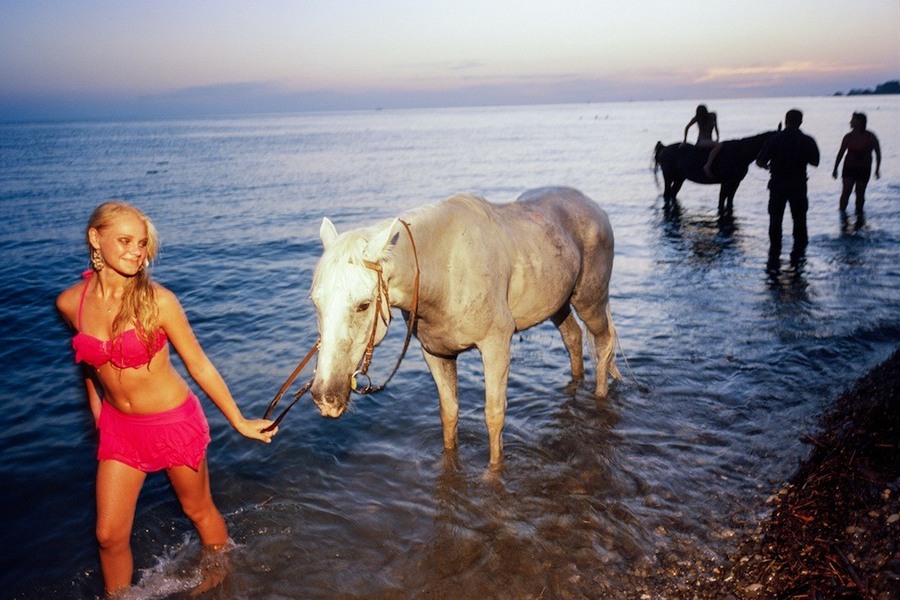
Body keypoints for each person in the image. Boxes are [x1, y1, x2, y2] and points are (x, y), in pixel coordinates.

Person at [56, 201, 278, 596]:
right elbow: (87, 363)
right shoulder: (71, 302)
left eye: (141, 244)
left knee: (199, 510)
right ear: (95, 238)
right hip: (120, 430)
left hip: (173, 424)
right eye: (124, 240)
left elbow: (201, 366)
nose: (136, 251)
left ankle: (220, 577)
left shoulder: (159, 301)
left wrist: (239, 420)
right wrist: (96, 411)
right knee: (108, 535)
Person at [755, 109, 820, 261]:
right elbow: (815, 162)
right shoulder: (807, 140)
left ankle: (774, 253)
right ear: (801, 122)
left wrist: (767, 166)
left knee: (775, 220)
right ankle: (800, 256)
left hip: (778, 185)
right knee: (800, 220)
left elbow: (760, 161)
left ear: (785, 121)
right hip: (798, 185)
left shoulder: (775, 139)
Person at [832, 112, 881, 213]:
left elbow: (878, 153)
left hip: (864, 169)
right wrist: (835, 168)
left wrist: (877, 169)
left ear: (859, 122)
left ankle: (859, 214)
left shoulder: (870, 136)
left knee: (860, 193)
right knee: (846, 192)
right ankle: (842, 214)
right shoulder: (848, 137)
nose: (850, 122)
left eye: (852, 120)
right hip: (849, 168)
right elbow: (841, 153)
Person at [683, 104, 722, 178]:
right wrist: (685, 141)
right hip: (701, 141)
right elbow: (687, 127)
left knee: (720, 147)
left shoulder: (712, 115)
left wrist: (717, 138)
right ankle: (707, 166)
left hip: (710, 140)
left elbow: (716, 127)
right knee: (719, 145)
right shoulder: (697, 118)